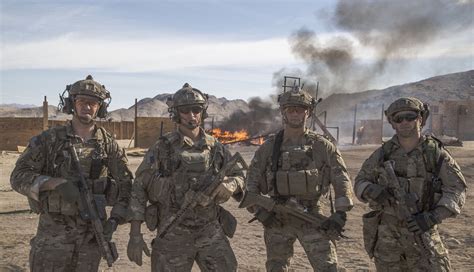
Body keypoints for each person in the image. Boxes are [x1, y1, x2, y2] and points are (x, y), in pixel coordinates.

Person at [10, 75, 133, 271]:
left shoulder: (108, 144)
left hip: (92, 236)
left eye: (93, 103)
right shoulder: (49, 140)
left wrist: (115, 219)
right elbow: (18, 176)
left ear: (100, 107)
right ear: (71, 104)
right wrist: (53, 183)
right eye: (82, 101)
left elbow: (127, 185)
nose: (87, 107)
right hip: (54, 236)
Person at [127, 83, 245, 271]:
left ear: (202, 112)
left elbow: (239, 176)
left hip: (210, 230)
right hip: (173, 232)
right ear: (176, 113)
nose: (192, 115)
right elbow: (139, 188)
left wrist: (231, 185)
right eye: (185, 110)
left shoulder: (216, 147)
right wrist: (135, 234)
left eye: (196, 110)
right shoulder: (162, 147)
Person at [244, 83, 354, 271]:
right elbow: (251, 185)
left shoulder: (322, 146)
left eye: (300, 109)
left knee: (328, 267)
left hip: (313, 215)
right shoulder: (269, 147)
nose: (295, 114)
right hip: (278, 217)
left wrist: (341, 213)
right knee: (276, 267)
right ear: (283, 113)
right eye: (291, 110)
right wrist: (260, 212)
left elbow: (340, 177)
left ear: (308, 113)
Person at [354, 97, 467, 271]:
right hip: (388, 238)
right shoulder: (383, 154)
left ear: (420, 119)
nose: (405, 122)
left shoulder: (435, 153)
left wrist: (433, 217)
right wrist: (372, 190)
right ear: (393, 123)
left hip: (422, 230)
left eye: (410, 116)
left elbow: (456, 189)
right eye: (398, 119)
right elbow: (360, 181)